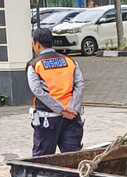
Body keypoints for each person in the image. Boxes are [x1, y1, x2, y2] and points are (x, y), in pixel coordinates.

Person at [27, 27, 85, 157]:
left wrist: (61, 110)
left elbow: (37, 91)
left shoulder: (34, 65)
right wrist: (72, 108)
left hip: (48, 120)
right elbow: (80, 84)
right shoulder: (70, 61)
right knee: (73, 159)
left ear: (37, 44)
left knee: (43, 161)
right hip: (72, 118)